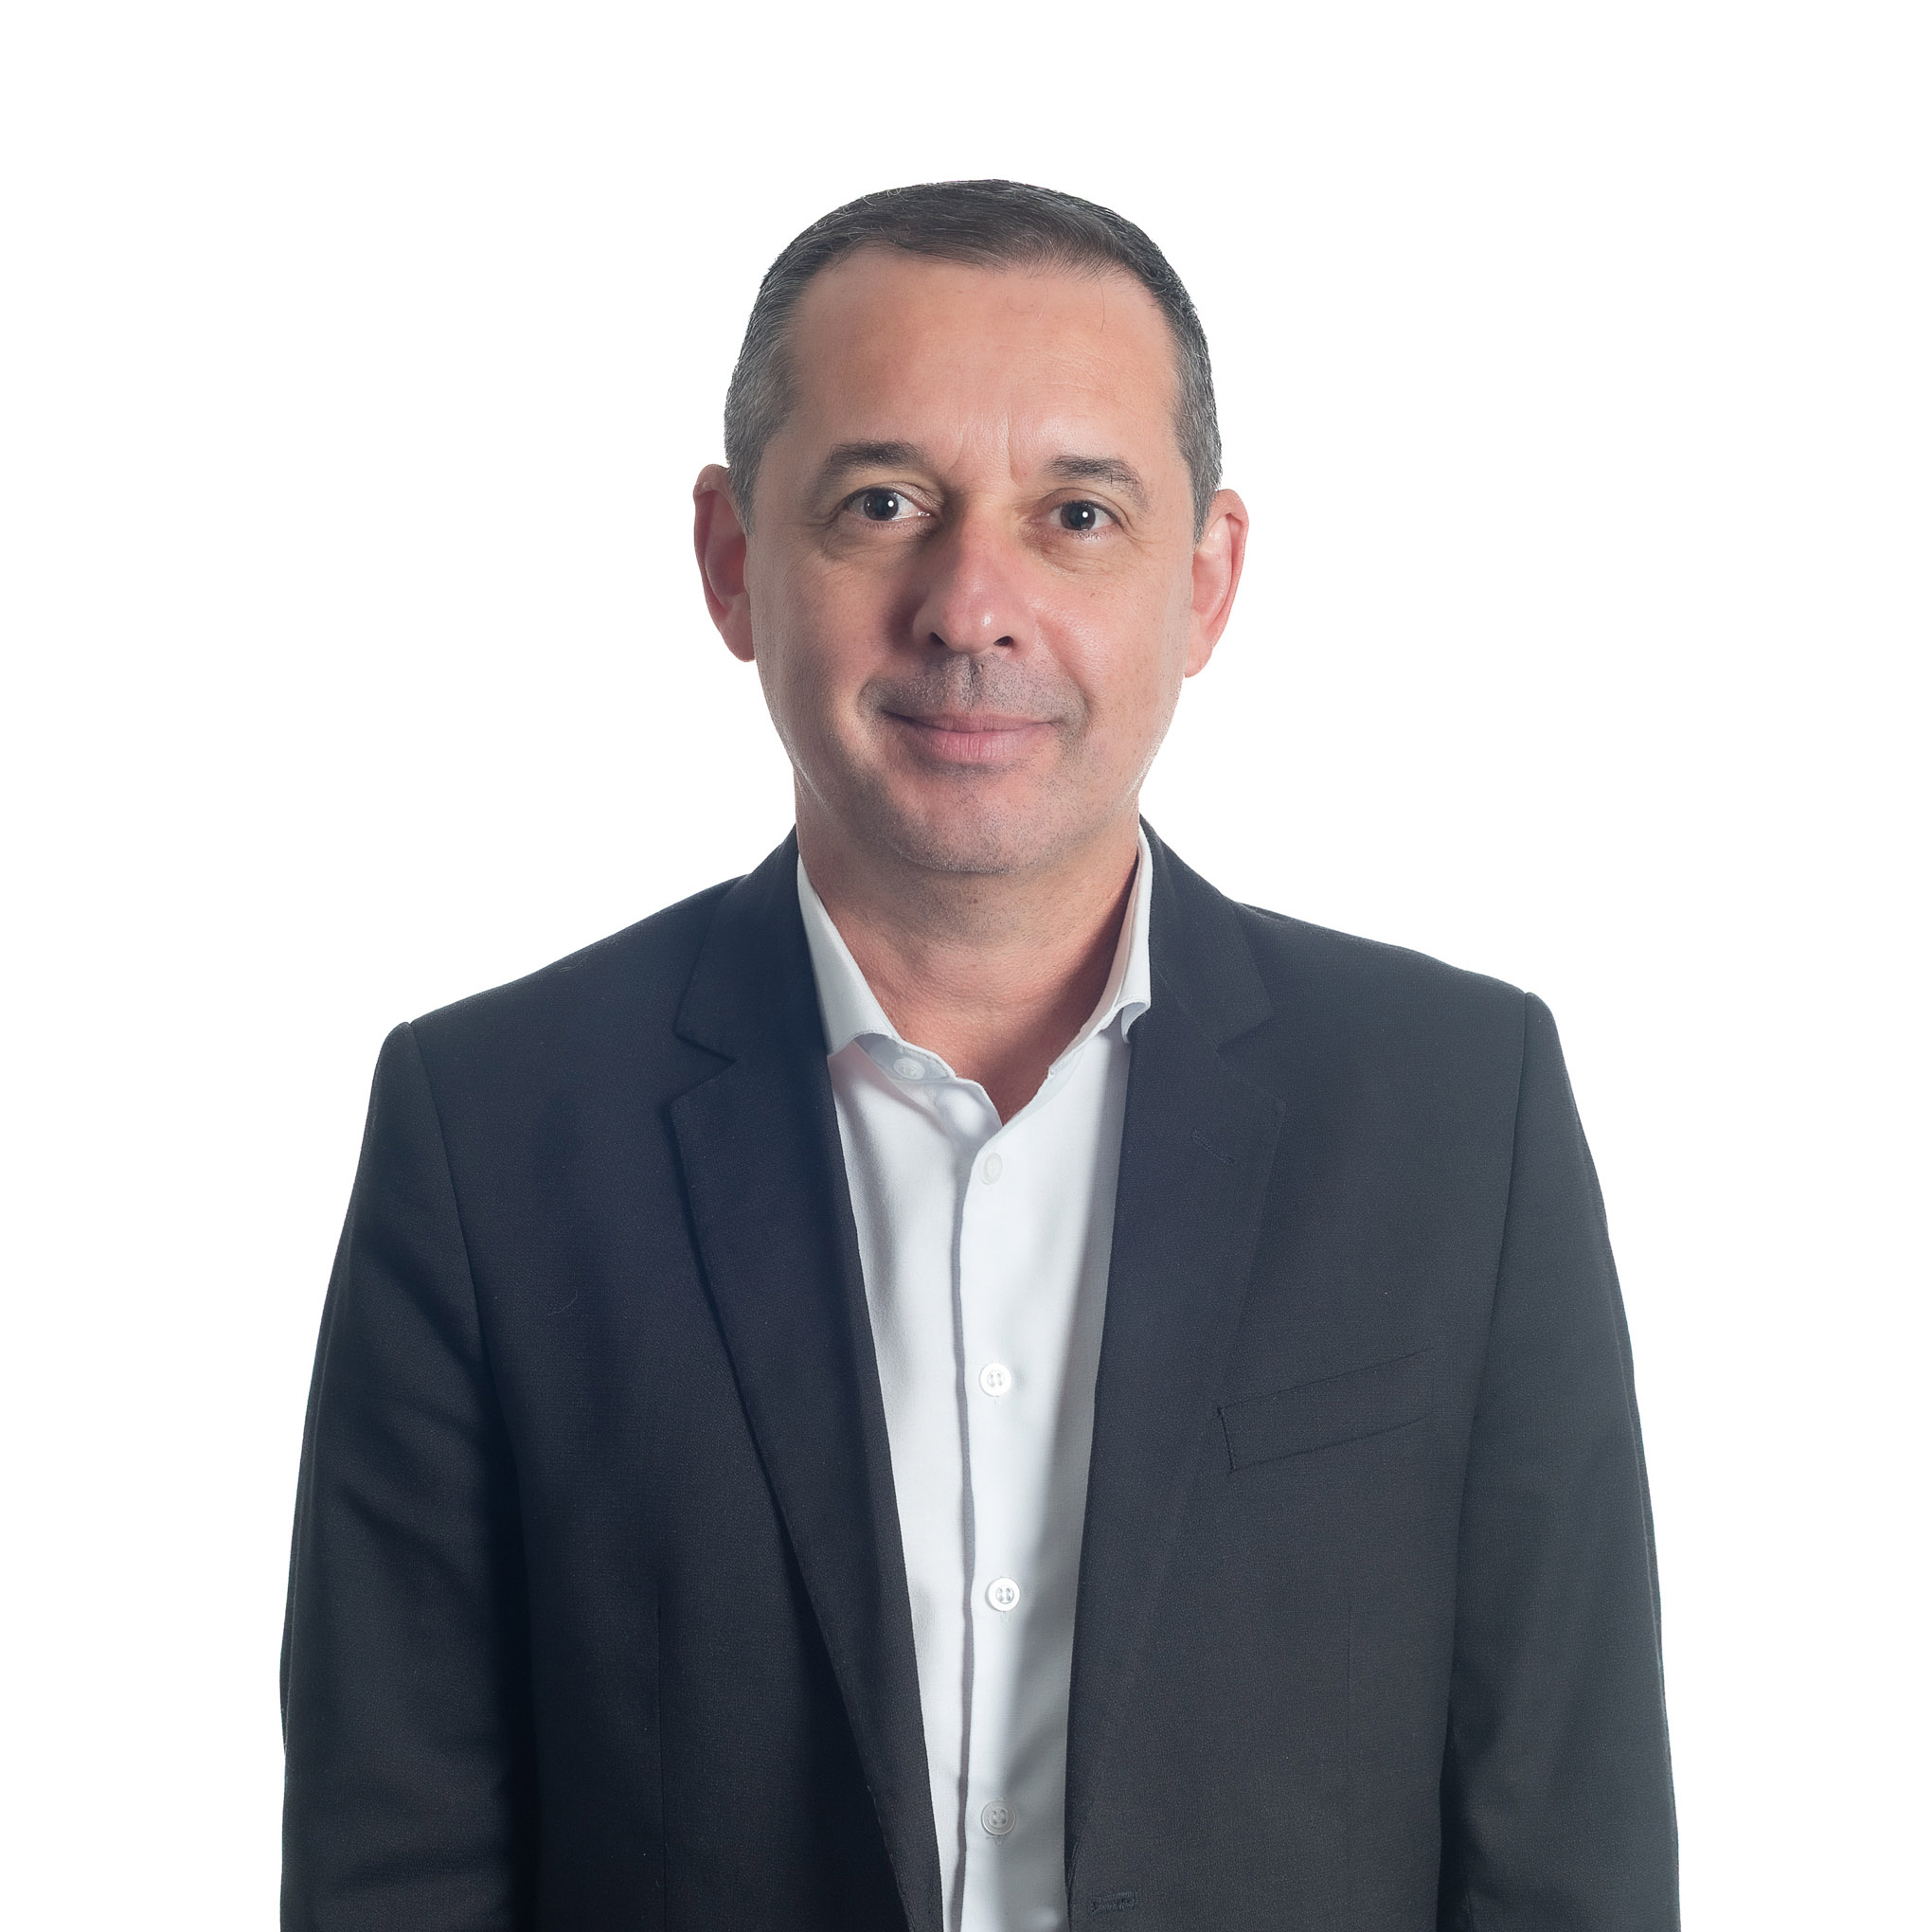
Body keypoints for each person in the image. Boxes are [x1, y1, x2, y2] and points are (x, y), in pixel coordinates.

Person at [281, 180, 1678, 1932]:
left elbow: (1568, 1853)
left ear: (1206, 580)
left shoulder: (1461, 1117)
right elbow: (393, 1864)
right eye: (882, 503)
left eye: (1077, 515)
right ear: (731, 559)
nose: (972, 607)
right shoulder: (489, 1133)